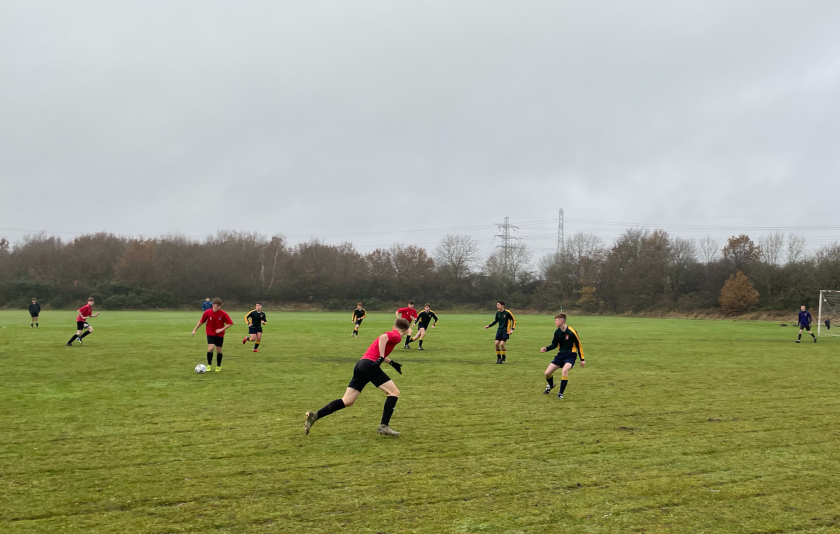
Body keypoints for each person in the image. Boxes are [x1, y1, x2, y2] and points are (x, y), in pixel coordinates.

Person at [304, 318, 408, 437]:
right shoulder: (397, 335)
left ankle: (315, 415)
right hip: (370, 366)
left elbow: (377, 351)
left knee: (347, 401)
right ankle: (383, 426)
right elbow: (383, 338)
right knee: (394, 392)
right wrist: (381, 357)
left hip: (361, 365)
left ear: (394, 326)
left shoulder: (394, 333)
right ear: (405, 330)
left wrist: (391, 363)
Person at [540, 313, 585, 399]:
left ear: (561, 321)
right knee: (547, 373)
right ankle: (551, 385)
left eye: (556, 320)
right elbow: (554, 344)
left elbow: (579, 345)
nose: (555, 322)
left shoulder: (572, 332)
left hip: (570, 355)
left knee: (565, 370)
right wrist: (546, 348)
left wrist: (582, 359)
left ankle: (560, 393)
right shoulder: (557, 332)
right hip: (561, 355)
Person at [191, 298, 234, 371]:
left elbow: (230, 323)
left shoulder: (223, 313)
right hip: (210, 333)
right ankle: (209, 365)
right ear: (213, 305)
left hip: (220, 334)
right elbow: (201, 321)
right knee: (210, 348)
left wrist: (221, 329)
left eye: (220, 305)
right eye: (217, 305)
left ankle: (218, 366)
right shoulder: (207, 312)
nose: (219, 307)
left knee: (219, 351)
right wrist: (194, 329)